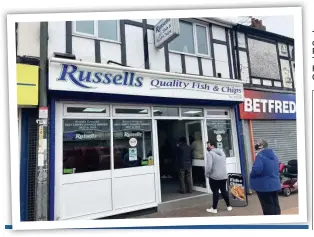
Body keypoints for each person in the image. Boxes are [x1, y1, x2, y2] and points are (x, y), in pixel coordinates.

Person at [250, 139, 281, 215]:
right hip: (274, 184)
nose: (255, 145)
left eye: (257, 144)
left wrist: (251, 174)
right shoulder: (274, 155)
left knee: (267, 206)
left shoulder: (260, 156)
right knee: (275, 204)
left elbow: (257, 170)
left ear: (261, 146)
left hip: (264, 186)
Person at [205, 140, 232, 213]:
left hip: (214, 177)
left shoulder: (210, 153)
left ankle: (214, 209)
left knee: (215, 192)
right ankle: (229, 206)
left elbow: (209, 166)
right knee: (224, 191)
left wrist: (207, 174)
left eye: (209, 145)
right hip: (223, 176)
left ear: (213, 146)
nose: (207, 147)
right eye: (207, 145)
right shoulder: (222, 152)